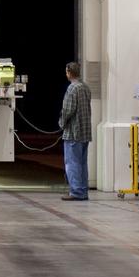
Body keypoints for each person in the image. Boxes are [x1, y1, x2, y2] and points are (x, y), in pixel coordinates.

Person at [59, 61, 92, 201]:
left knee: (72, 163)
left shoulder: (72, 88)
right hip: (85, 132)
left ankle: (76, 192)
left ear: (69, 72)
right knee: (82, 163)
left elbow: (68, 110)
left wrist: (61, 123)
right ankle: (83, 191)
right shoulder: (85, 87)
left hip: (73, 132)